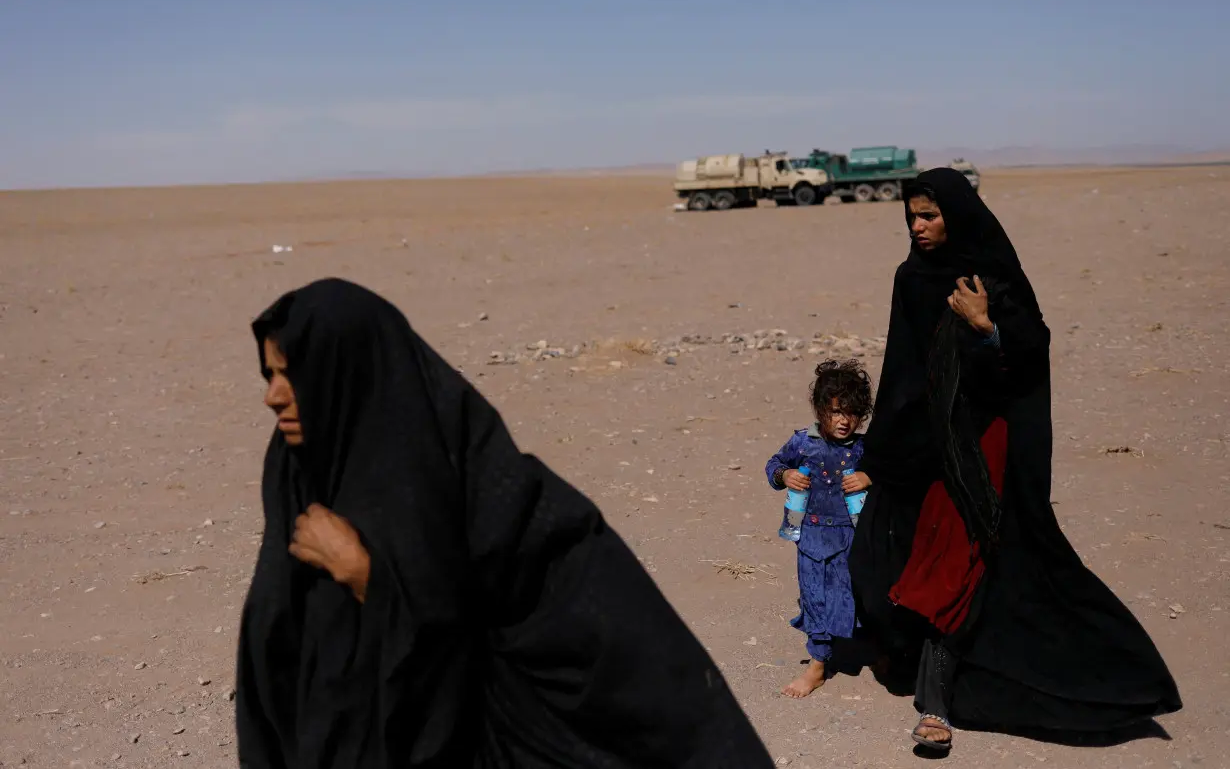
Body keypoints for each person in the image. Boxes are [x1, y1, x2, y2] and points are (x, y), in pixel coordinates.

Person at [235, 278, 776, 768]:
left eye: (292, 375)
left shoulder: (478, 492)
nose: (273, 395)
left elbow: (600, 646)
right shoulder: (295, 476)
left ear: (343, 375)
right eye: (270, 374)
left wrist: (370, 582)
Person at [847, 168, 1182, 753]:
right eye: (910, 218)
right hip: (922, 442)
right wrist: (883, 451)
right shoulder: (911, 278)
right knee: (885, 558)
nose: (918, 226)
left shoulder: (992, 276)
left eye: (928, 215)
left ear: (956, 213)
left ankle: (938, 706)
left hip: (982, 448)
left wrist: (984, 328)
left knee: (958, 563)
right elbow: (901, 365)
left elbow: (1027, 360)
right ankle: (911, 657)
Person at [765, 359, 874, 699]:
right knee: (816, 597)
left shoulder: (865, 448)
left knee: (861, 595)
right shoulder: (802, 443)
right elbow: (774, 465)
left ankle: (878, 652)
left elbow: (893, 477)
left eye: (853, 413)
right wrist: (785, 476)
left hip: (856, 536)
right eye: (836, 411)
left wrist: (870, 477)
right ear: (819, 410)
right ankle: (817, 665)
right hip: (812, 536)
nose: (844, 421)